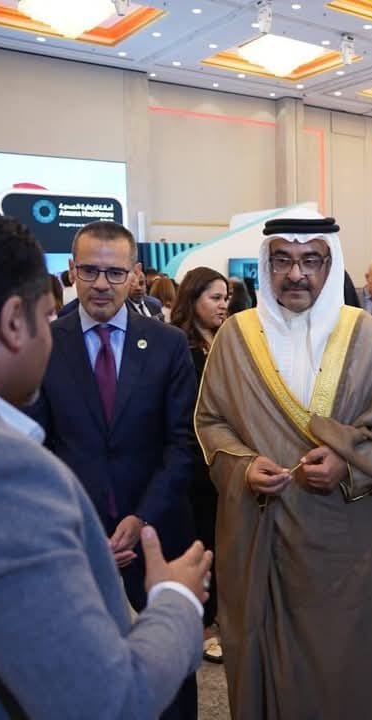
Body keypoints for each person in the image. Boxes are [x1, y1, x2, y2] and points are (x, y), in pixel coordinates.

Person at [0, 207, 210, 718]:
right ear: (16, 321)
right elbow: (106, 702)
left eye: (115, 272)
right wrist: (176, 601)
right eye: (46, 315)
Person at [195, 209, 372, 719]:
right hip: (266, 541)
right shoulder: (235, 337)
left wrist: (348, 465)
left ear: (329, 264)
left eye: (311, 261)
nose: (296, 274)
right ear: (266, 265)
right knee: (272, 663)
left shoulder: (369, 336)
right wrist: (244, 467)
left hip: (349, 546)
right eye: (283, 261)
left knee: (352, 666)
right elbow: (211, 423)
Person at [28, 220, 200, 719]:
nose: (101, 283)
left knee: (170, 675)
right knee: (82, 674)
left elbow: (183, 444)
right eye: (89, 271)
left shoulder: (167, 343)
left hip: (157, 534)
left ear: (134, 275)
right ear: (70, 271)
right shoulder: (44, 342)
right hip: (75, 539)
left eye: (114, 272)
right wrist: (82, 524)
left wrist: (141, 518)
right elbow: (38, 445)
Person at [170, 266, 229, 664]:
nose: (224, 305)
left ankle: (219, 613)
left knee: (222, 543)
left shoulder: (224, 343)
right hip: (195, 463)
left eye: (226, 298)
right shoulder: (182, 347)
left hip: (223, 460)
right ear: (193, 300)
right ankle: (203, 625)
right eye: (215, 298)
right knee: (201, 542)